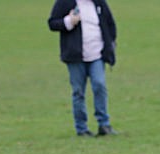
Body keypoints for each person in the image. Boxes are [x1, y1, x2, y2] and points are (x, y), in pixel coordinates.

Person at [48, 0, 118, 137]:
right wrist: (68, 21)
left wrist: (110, 43)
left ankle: (104, 124)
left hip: (97, 54)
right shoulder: (65, 2)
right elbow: (52, 23)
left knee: (99, 85)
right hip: (75, 56)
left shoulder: (99, 3)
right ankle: (81, 128)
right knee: (78, 92)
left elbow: (109, 23)